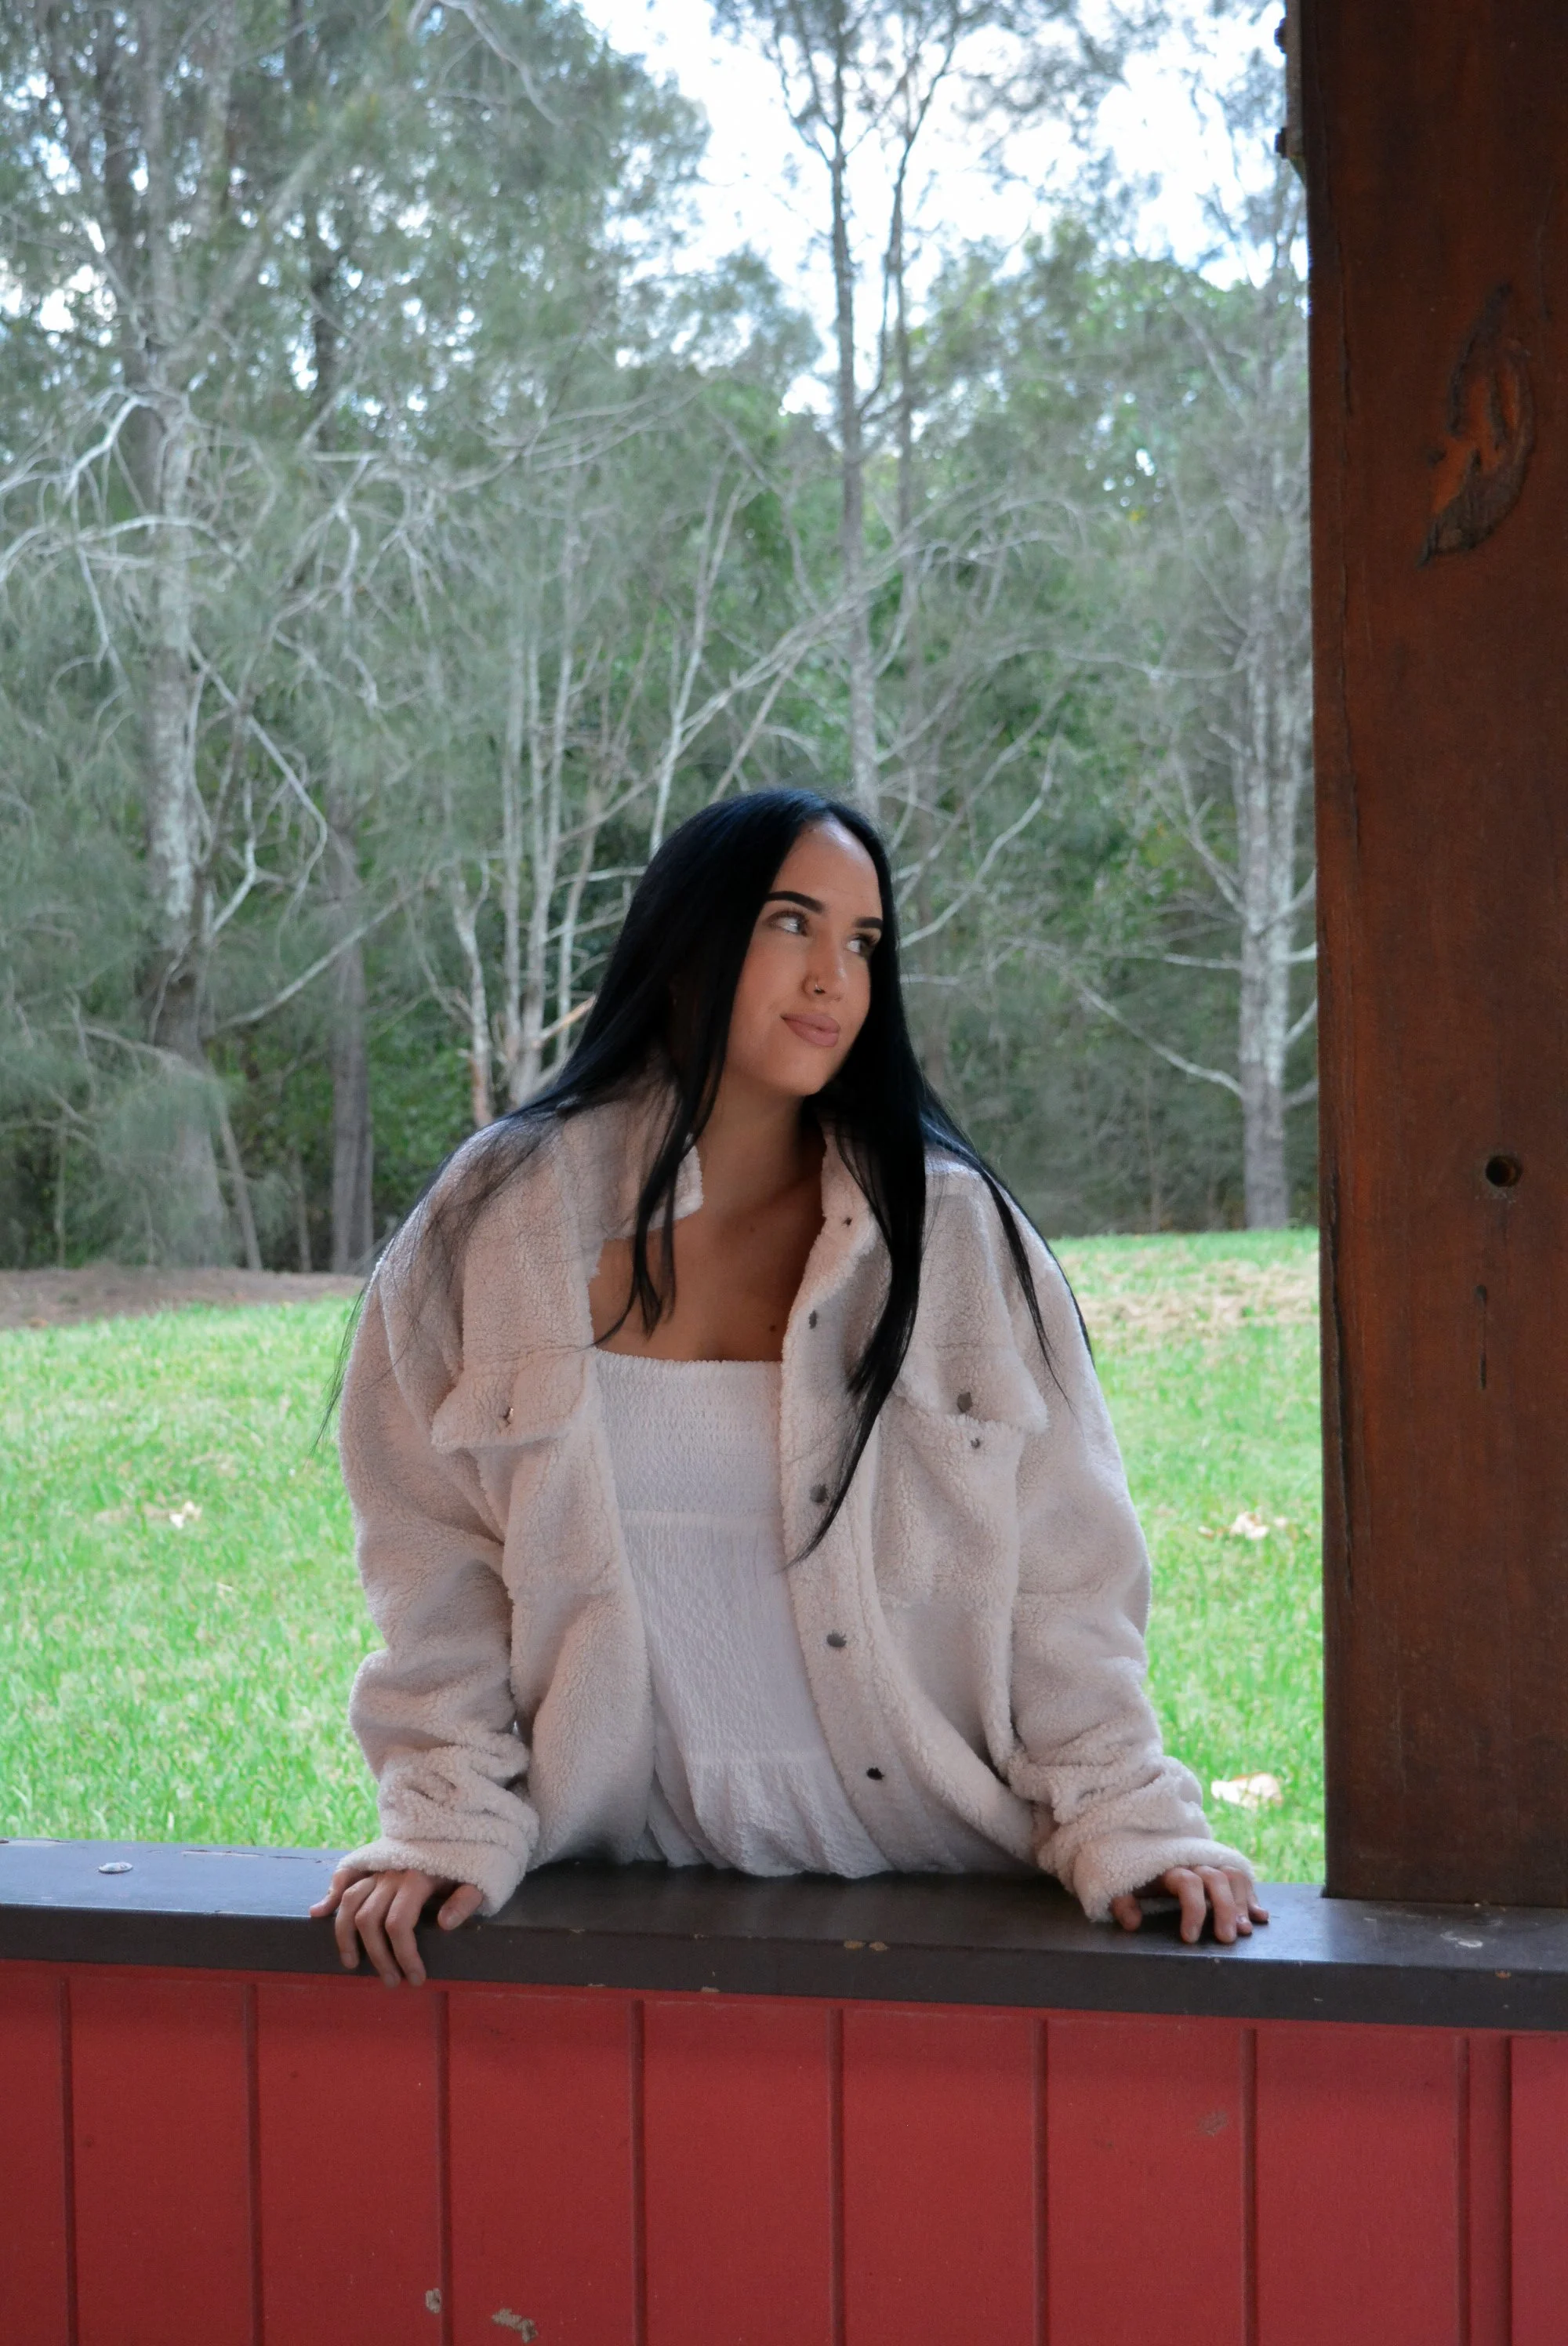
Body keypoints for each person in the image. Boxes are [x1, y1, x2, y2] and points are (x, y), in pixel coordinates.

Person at [313, 790, 1265, 1986]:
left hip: (940, 1882)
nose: (834, 978)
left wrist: (1130, 1820)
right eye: (791, 925)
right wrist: (445, 1814)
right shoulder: (495, 1226)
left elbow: (1065, 1573)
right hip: (625, 1888)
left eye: (863, 945)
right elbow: (430, 1559)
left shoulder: (956, 1237)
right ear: (686, 943)